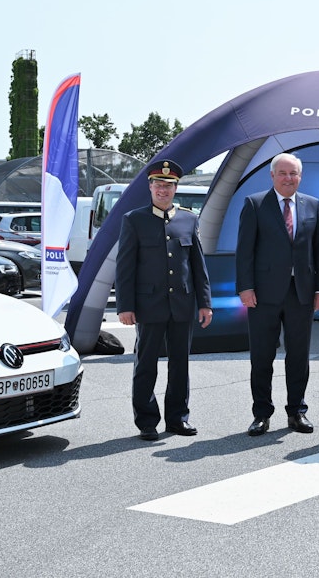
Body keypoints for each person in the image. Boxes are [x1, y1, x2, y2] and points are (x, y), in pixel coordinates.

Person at [116, 160, 212, 441]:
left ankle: (178, 418)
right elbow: (125, 268)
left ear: (175, 188)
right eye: (158, 184)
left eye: (168, 186)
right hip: (148, 306)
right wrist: (125, 306)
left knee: (180, 364)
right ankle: (147, 421)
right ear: (150, 187)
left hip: (182, 304)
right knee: (146, 364)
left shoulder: (188, 219)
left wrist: (205, 303)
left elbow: (198, 265)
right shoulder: (134, 219)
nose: (163, 190)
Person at [236, 152, 319, 437]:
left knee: (299, 356)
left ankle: (297, 411)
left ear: (300, 176)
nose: (288, 178)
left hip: (301, 293)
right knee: (262, 356)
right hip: (263, 294)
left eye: (293, 173)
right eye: (283, 173)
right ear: (272, 175)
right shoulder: (255, 204)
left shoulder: (312, 205)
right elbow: (245, 251)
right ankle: (261, 414)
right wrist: (245, 287)